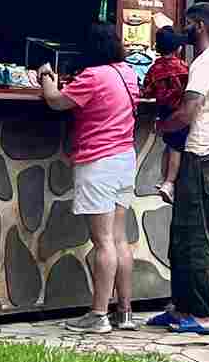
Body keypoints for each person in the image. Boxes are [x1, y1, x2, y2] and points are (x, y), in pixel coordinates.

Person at [38, 20, 142, 333]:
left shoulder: (93, 76)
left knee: (103, 242)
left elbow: (56, 101)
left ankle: (98, 315)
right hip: (125, 158)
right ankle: (124, 312)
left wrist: (45, 76)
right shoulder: (127, 73)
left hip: (98, 163)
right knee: (120, 239)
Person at [147, 0, 209, 337]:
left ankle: (202, 314)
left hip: (199, 157)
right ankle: (181, 308)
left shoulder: (205, 64)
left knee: (195, 238)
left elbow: (188, 110)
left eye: (186, 23)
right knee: (181, 237)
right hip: (198, 156)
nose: (182, 29)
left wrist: (162, 127)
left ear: (198, 25)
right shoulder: (204, 60)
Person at [145, 25, 193, 203]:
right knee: (176, 148)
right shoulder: (183, 68)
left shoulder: (154, 69)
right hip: (179, 113)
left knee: (168, 145)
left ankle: (164, 179)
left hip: (163, 112)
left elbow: (147, 91)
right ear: (178, 48)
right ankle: (169, 182)